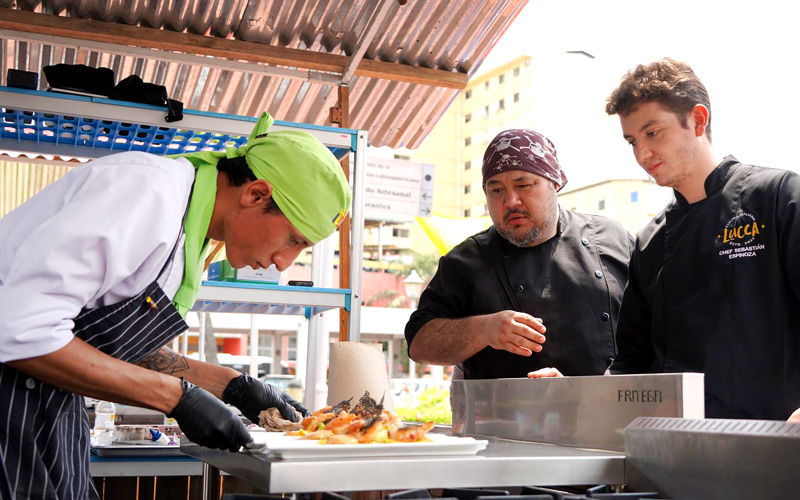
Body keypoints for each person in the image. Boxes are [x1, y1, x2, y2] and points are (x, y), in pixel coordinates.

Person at [0, 111, 351, 499]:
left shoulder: (187, 229)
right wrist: (173, 397)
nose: (284, 263)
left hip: (48, 409)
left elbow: (105, 343)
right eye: (295, 241)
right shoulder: (147, 193)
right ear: (256, 194)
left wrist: (231, 385)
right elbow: (19, 329)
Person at [604, 57, 800, 422]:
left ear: (698, 119)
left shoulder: (778, 196)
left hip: (780, 444)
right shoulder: (650, 241)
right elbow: (630, 360)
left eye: (652, 132)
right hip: (680, 449)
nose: (642, 154)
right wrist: (575, 393)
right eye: (632, 141)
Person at [404, 129, 634, 380]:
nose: (511, 201)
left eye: (523, 185)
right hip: (508, 416)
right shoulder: (464, 262)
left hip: (613, 410)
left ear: (554, 183)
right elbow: (419, 345)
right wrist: (484, 329)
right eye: (496, 191)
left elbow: (656, 325)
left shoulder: (611, 238)